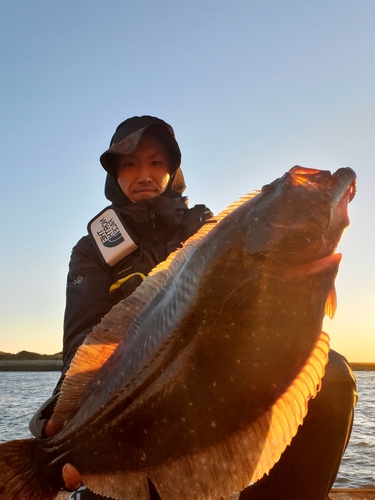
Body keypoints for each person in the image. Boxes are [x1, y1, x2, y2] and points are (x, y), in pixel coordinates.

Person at [29, 116, 357, 500]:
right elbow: (82, 340)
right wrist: (59, 422)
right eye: (129, 164)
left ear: (172, 171)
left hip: (218, 388)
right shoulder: (93, 250)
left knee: (332, 378)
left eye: (156, 162)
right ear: (114, 176)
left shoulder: (208, 228)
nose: (144, 174)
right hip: (134, 409)